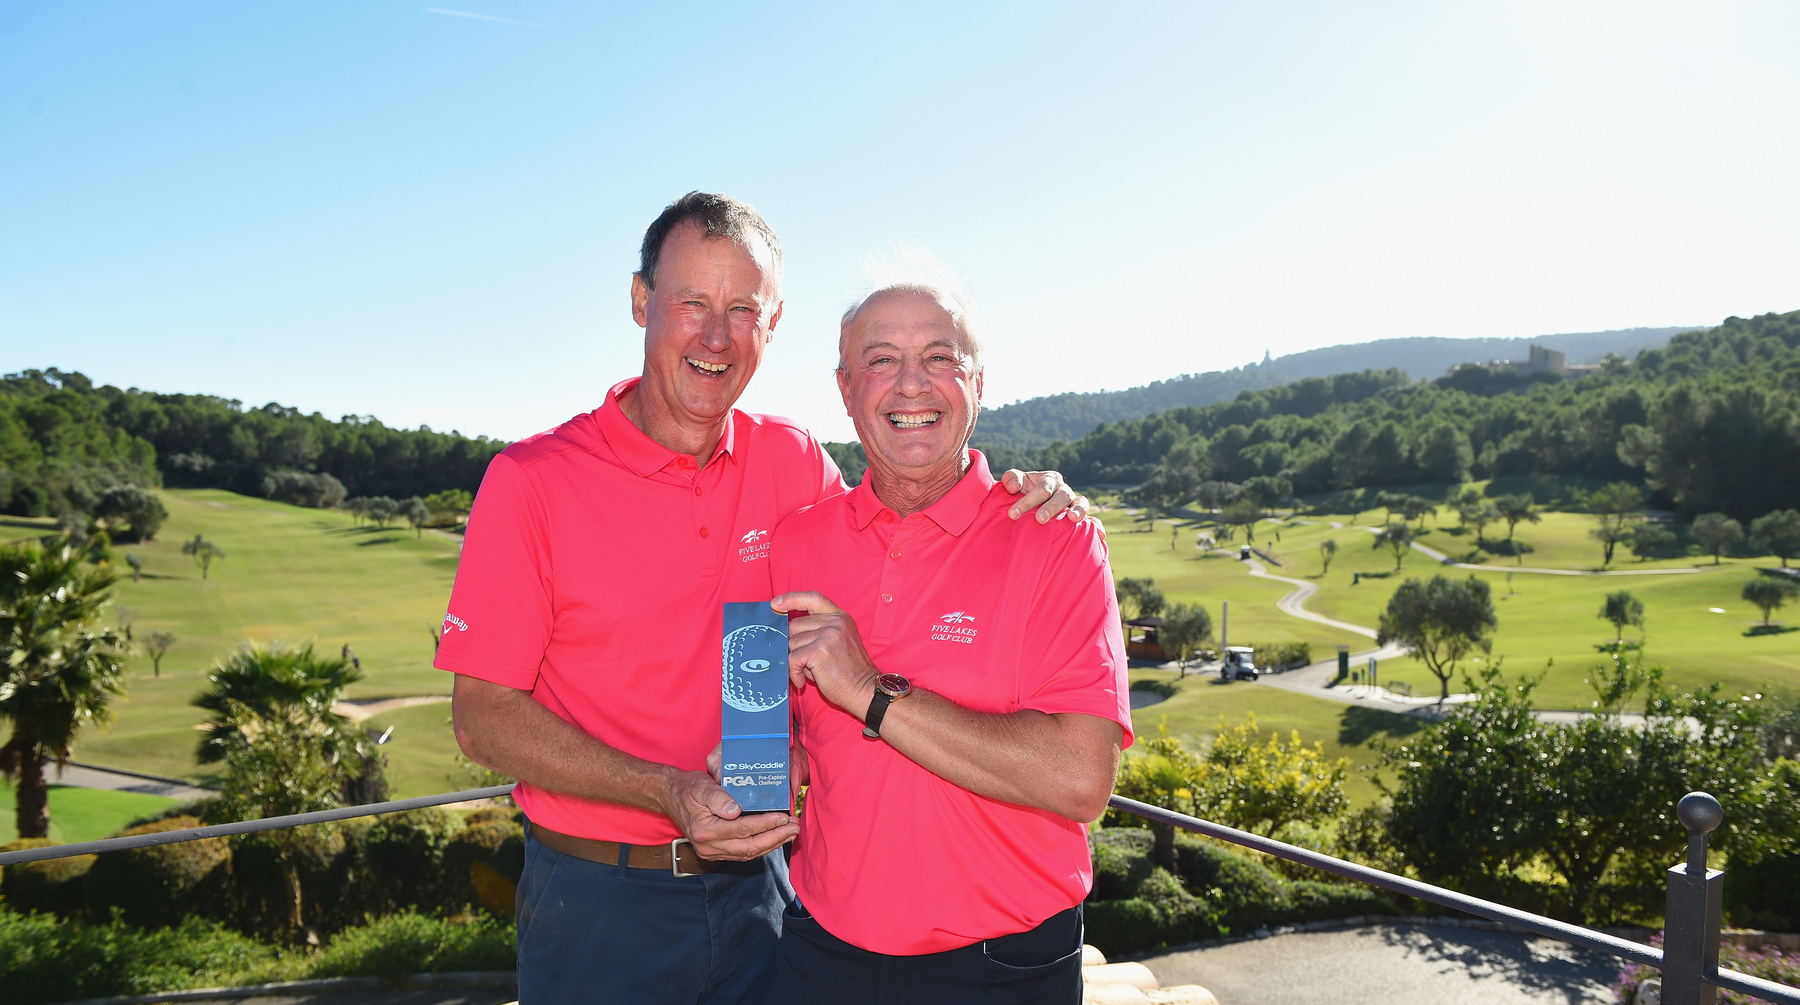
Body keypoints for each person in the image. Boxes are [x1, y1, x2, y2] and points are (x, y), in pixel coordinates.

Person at [435, 192, 1084, 1004]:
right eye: (693, 304)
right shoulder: (531, 480)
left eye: (743, 309)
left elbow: (899, 523)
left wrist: (1025, 493)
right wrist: (667, 790)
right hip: (599, 901)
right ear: (641, 301)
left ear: (771, 324)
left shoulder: (793, 462)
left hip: (765, 892)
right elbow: (482, 716)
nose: (717, 336)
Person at [763, 260, 1131, 1003]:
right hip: (820, 944)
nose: (911, 385)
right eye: (881, 361)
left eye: (939, 357)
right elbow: (792, 732)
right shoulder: (796, 542)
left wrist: (870, 691)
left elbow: (1079, 777)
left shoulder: (1056, 539)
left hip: (1001, 965)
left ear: (978, 383)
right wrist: (771, 762)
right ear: (845, 389)